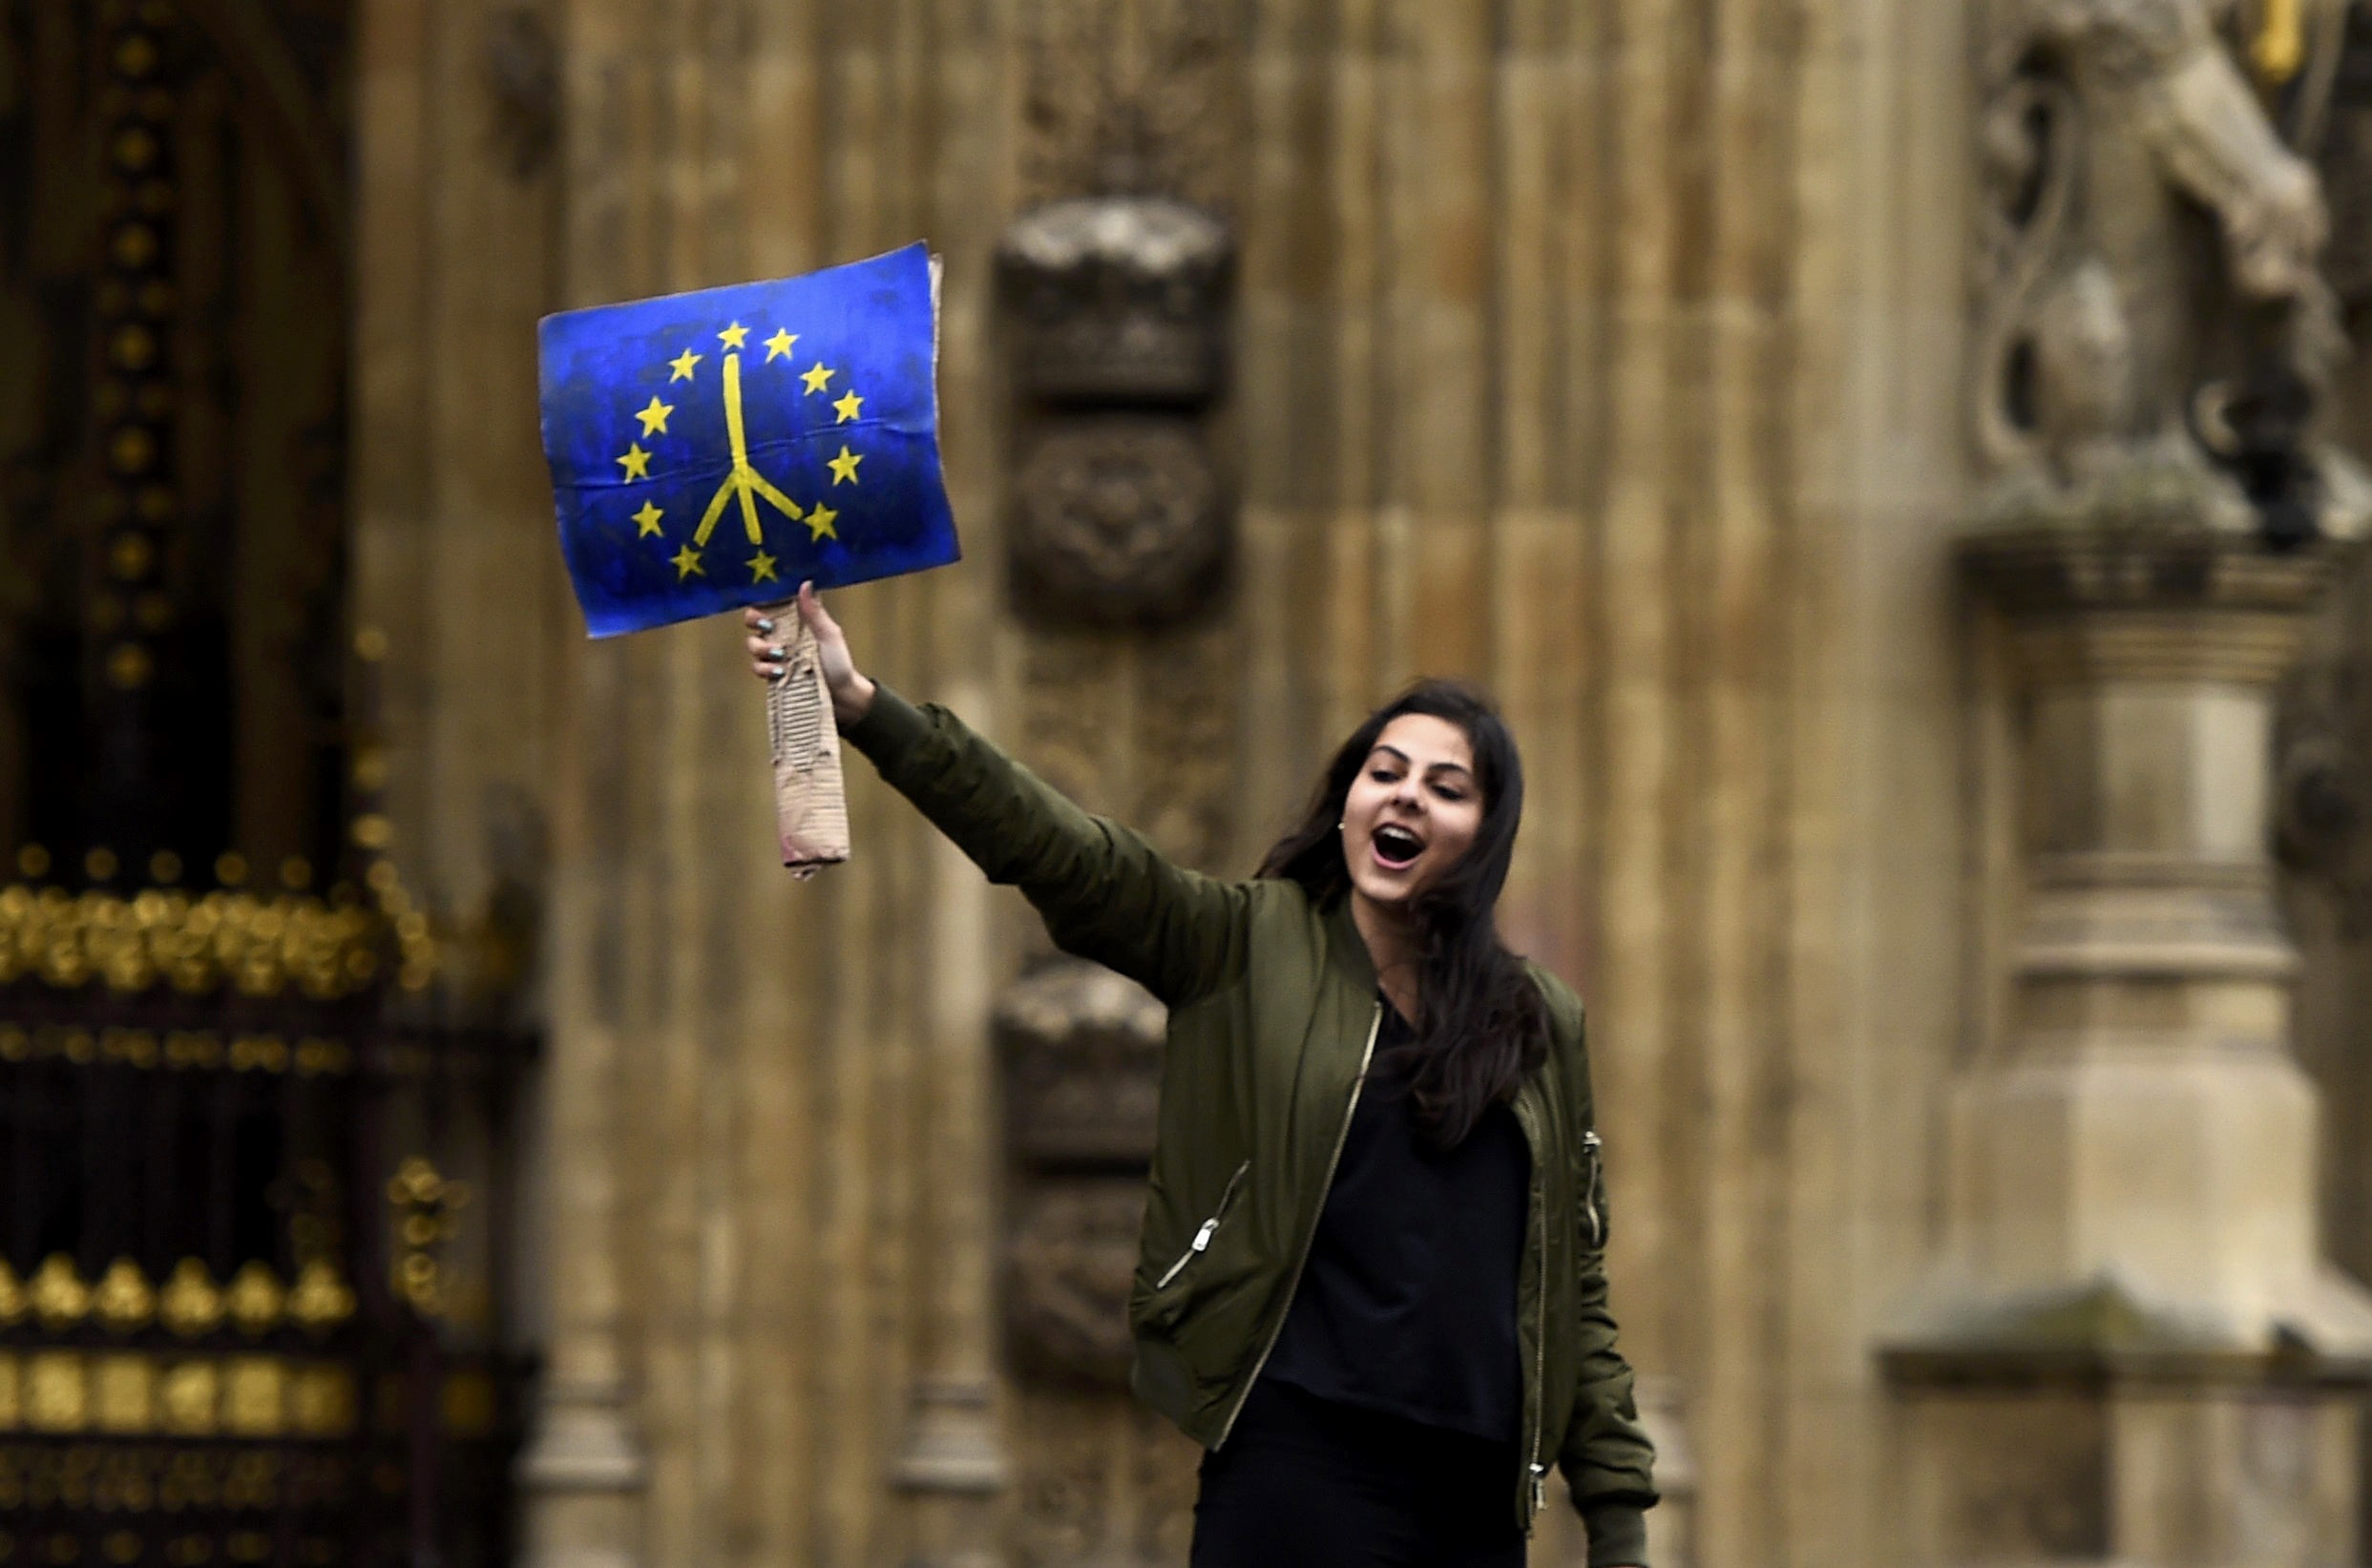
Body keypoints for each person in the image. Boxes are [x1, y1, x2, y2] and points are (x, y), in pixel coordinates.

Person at [746, 585, 1656, 1568]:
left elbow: (1572, 1278)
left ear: (1483, 833)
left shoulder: (1536, 1021)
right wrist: (867, 708)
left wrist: (1617, 1515)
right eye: (1382, 771)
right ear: (1346, 801)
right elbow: (1065, 852)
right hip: (1299, 1468)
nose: (1402, 795)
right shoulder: (1242, 942)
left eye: (1445, 786)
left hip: (1475, 1498)